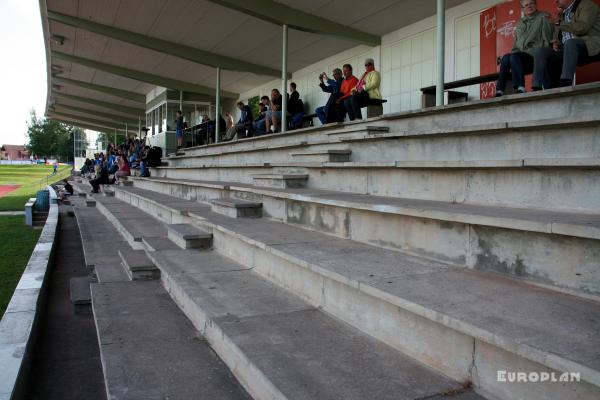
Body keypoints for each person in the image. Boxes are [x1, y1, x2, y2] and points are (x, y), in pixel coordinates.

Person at [533, 0, 600, 89]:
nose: (555, 1)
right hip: (567, 47)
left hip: (589, 43)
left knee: (571, 42)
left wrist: (558, 22)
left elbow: (582, 28)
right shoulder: (563, 13)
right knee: (541, 51)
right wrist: (557, 42)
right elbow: (561, 35)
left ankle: (566, 81)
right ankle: (537, 86)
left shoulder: (587, 5)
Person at [495, 0, 553, 96]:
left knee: (514, 57)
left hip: (535, 56)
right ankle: (500, 90)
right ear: (522, 9)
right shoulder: (520, 23)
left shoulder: (544, 16)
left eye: (531, 4)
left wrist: (543, 54)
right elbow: (516, 44)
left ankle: (520, 87)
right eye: (526, 5)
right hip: (521, 57)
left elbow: (547, 38)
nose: (529, 6)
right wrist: (513, 54)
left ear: (536, 4)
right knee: (506, 58)